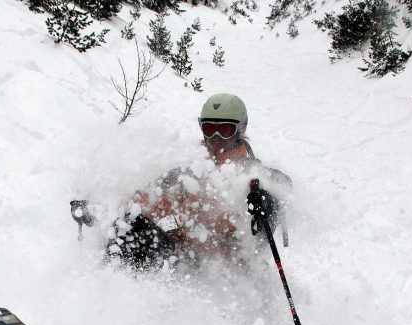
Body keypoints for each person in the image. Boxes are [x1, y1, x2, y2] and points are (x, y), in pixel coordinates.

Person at [71, 93, 291, 273]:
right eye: (208, 128)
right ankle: (109, 299)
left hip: (227, 271)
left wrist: (268, 199)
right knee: (128, 224)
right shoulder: (188, 173)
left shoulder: (254, 175)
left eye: (224, 130)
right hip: (184, 257)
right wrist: (100, 210)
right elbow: (144, 198)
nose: (215, 137)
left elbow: (285, 188)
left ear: (240, 130)